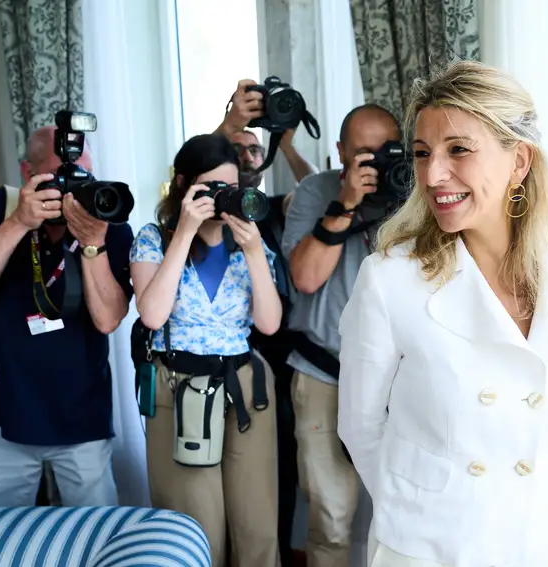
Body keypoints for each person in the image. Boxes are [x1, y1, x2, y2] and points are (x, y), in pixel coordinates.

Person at [337, 60, 548, 566]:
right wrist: (417, 512)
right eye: (423, 153)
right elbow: (359, 426)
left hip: (536, 541)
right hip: (429, 547)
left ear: (519, 162)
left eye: (459, 150)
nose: (432, 175)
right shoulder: (390, 280)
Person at [0, 125, 133, 507]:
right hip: (1, 412)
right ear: (28, 174)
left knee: (93, 533)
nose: (74, 190)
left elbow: (108, 320)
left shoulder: (107, 220)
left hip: (83, 415)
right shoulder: (1, 206)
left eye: (83, 176)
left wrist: (93, 244)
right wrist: (18, 223)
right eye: (62, 178)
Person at [129, 133, 284, 567]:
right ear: (183, 185)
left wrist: (254, 250)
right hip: (179, 384)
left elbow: (269, 324)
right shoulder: (153, 238)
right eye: (211, 188)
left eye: (229, 189)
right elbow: (153, 315)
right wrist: (185, 232)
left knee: (256, 519)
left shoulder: (249, 242)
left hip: (245, 383)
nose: (221, 199)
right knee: (195, 521)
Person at [280, 103, 402, 567]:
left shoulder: (414, 193)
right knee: (330, 516)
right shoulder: (316, 191)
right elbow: (306, 278)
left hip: (397, 381)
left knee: (399, 513)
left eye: (383, 151)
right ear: (339, 153)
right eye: (361, 154)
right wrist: (346, 204)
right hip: (324, 373)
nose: (373, 164)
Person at [217, 79, 319, 567]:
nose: (248, 156)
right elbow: (199, 160)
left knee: (277, 469)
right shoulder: (209, 211)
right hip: (232, 352)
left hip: (283, 353)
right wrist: (232, 124)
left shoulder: (276, 208)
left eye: (255, 150)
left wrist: (287, 145)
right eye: (238, 150)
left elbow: (316, 188)